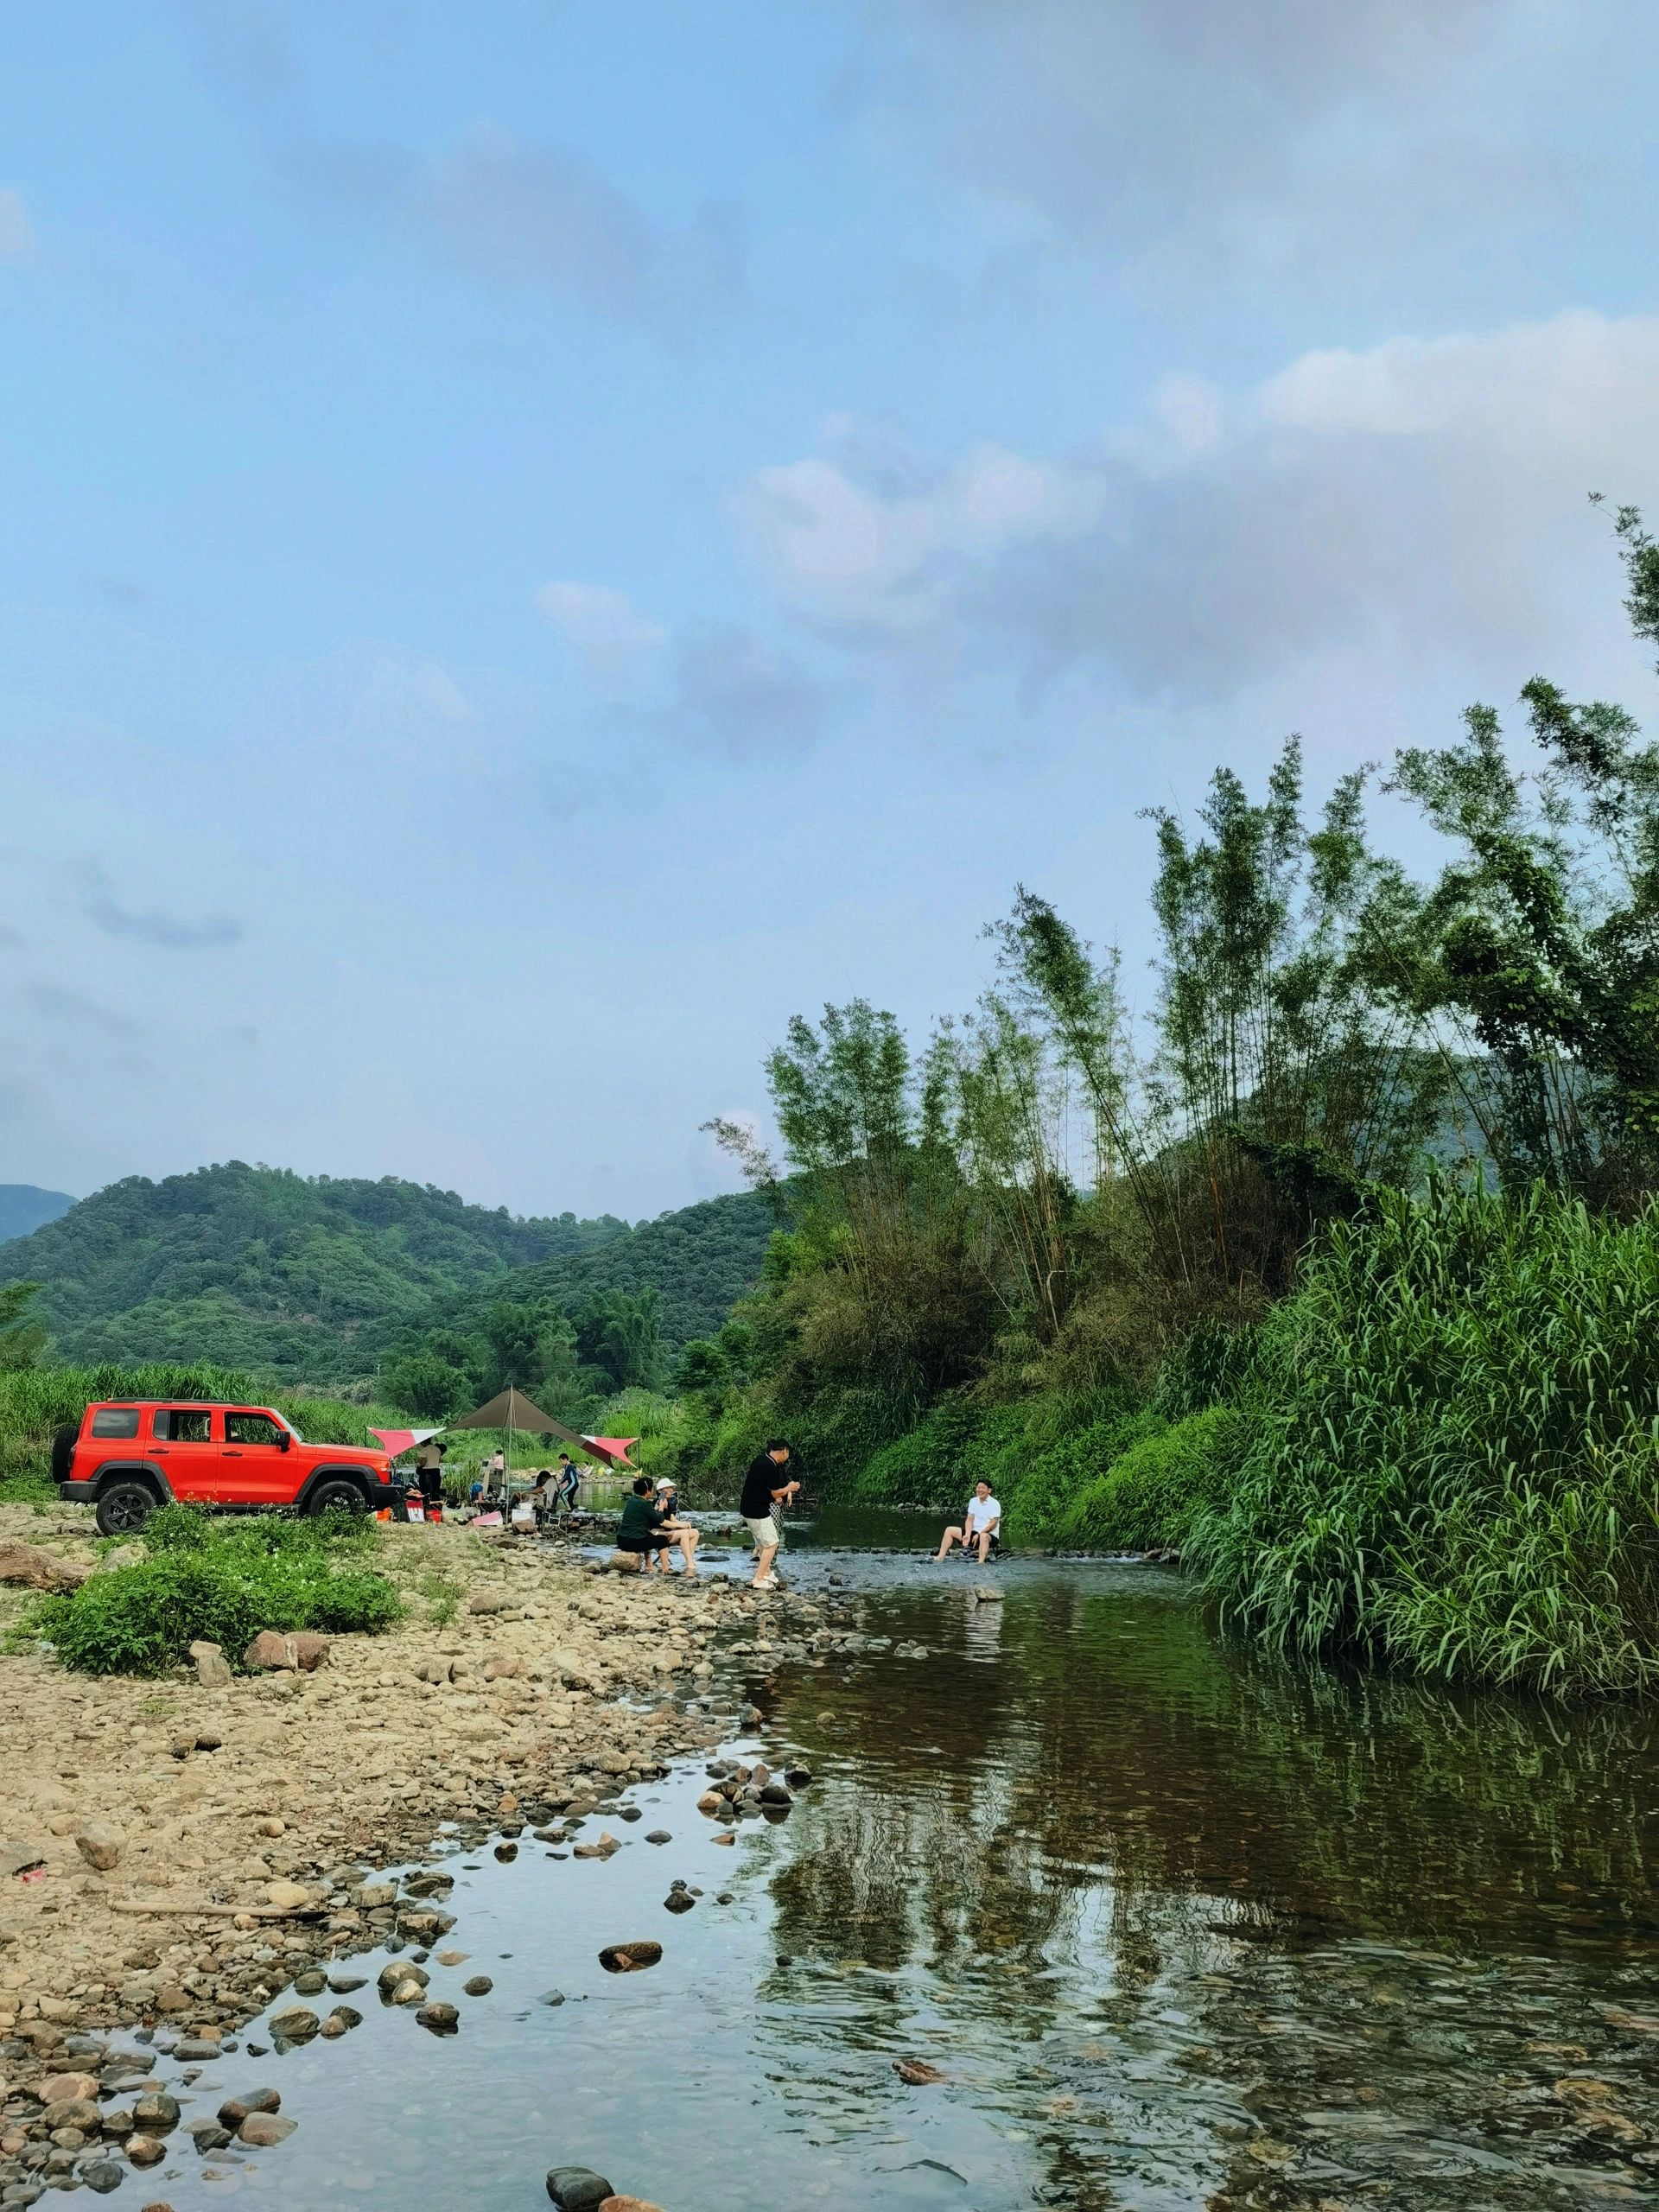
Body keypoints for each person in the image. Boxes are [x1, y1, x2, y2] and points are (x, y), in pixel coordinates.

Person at [740, 1440, 798, 1589]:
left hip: (750, 1507)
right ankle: (758, 1579)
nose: (787, 1456)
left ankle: (766, 1571)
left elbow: (767, 1489)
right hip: (756, 1509)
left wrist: (785, 1491)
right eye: (788, 1453)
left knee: (762, 1542)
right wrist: (790, 1487)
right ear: (783, 1451)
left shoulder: (762, 1460)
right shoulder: (769, 1466)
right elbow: (776, 1493)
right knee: (772, 1543)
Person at [615, 1474, 699, 1576]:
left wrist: (680, 1524)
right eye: (667, 1488)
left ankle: (649, 1564)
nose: (670, 1490)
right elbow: (660, 1520)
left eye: (671, 1488)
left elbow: (670, 1519)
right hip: (634, 1541)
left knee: (647, 1535)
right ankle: (666, 1569)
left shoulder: (631, 1501)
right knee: (661, 1540)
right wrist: (661, 1507)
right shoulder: (648, 1504)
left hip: (621, 1539)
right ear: (648, 1491)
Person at [936, 1479, 1001, 1564]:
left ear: (989, 1490)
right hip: (974, 1533)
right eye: (978, 1487)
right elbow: (970, 1519)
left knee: (983, 1536)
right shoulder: (973, 1501)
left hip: (989, 1536)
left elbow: (993, 1524)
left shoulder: (995, 1503)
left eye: (983, 1488)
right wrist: (967, 1534)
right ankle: (940, 1557)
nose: (980, 1490)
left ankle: (981, 1563)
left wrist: (979, 1534)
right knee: (949, 1530)